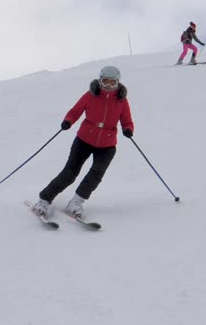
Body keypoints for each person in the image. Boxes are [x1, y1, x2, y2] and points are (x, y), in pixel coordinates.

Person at [31, 65, 134, 219]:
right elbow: (75, 111)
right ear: (99, 80)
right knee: (70, 173)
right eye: (105, 81)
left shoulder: (121, 101)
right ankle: (44, 200)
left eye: (112, 83)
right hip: (84, 140)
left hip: (107, 146)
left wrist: (128, 129)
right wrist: (68, 121)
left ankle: (76, 203)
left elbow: (127, 120)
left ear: (117, 83)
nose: (108, 86)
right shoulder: (90, 95)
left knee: (96, 175)